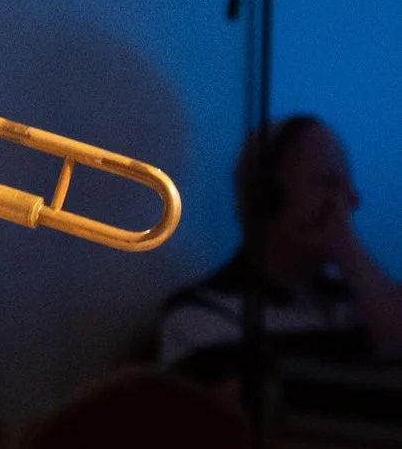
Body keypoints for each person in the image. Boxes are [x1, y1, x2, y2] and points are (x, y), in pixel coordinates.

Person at [159, 114, 402, 371]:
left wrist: (350, 254)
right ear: (268, 198)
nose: (351, 199)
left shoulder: (359, 306)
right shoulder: (202, 316)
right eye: (329, 182)